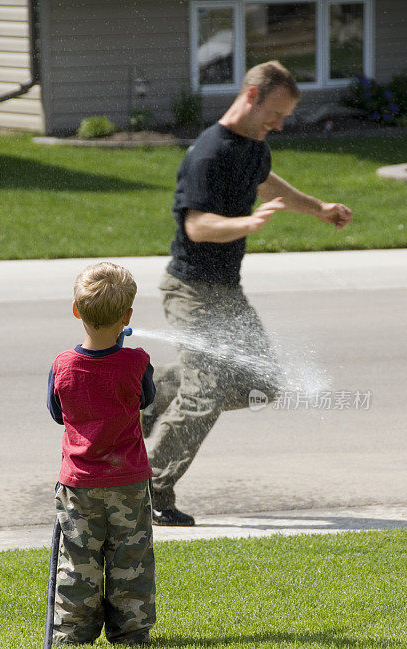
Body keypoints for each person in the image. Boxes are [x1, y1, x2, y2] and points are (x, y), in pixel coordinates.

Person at [144, 60, 352, 527]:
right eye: (276, 113)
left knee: (263, 384)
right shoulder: (208, 154)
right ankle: (151, 487)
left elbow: (266, 182)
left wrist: (318, 209)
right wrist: (247, 223)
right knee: (207, 390)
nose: (280, 124)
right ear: (252, 97)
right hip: (191, 290)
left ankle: (149, 394)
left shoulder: (254, 146)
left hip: (227, 292)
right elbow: (198, 227)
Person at [47, 262, 157, 646]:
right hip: (128, 481)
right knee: (131, 558)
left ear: (77, 310)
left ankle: (72, 634)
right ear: (127, 316)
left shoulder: (63, 365)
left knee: (78, 559)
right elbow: (146, 398)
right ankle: (131, 632)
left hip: (79, 484)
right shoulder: (137, 361)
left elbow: (57, 412)